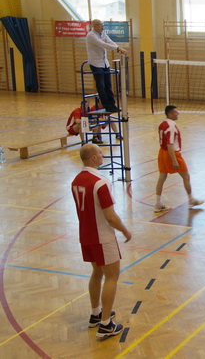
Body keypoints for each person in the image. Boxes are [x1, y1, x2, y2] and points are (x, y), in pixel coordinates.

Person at [71, 144, 132, 339]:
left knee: (96, 272)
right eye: (99, 152)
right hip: (102, 237)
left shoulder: (76, 180)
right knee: (112, 277)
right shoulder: (100, 182)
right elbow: (110, 217)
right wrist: (125, 230)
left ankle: (96, 313)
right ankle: (106, 325)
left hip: (85, 235)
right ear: (93, 158)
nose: (102, 154)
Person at [154, 105, 204, 213]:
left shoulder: (163, 123)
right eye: (176, 112)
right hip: (172, 153)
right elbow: (170, 144)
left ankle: (158, 204)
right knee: (186, 176)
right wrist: (174, 160)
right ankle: (191, 199)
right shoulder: (171, 126)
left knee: (162, 177)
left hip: (162, 152)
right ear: (170, 114)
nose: (178, 114)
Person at [85, 19, 128, 113]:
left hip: (104, 62)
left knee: (108, 84)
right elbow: (103, 44)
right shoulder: (91, 35)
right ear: (95, 26)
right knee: (101, 85)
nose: (103, 26)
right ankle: (106, 105)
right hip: (96, 63)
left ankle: (112, 104)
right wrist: (117, 48)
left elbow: (110, 42)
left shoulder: (103, 33)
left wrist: (118, 48)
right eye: (101, 25)